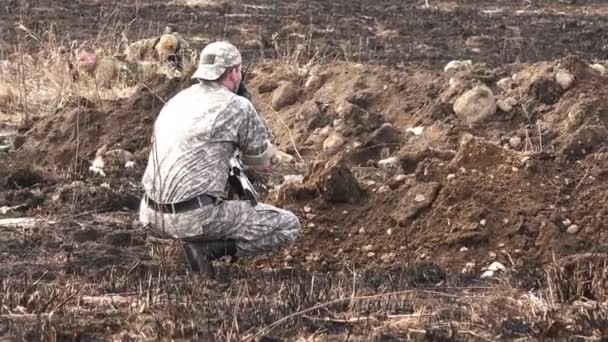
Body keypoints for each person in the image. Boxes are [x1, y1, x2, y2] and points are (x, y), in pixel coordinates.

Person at [138, 41, 301, 276]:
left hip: (150, 213)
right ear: (234, 72)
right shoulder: (238, 106)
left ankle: (195, 243)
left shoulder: (177, 100)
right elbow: (262, 162)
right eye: (240, 71)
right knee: (288, 225)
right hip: (192, 219)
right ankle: (207, 250)